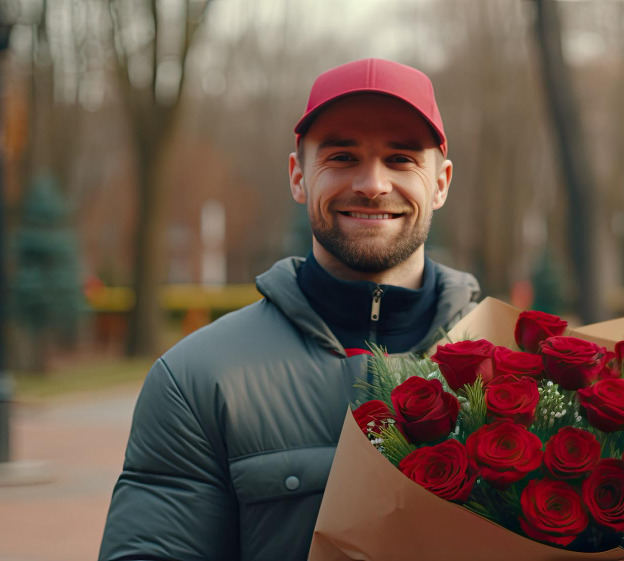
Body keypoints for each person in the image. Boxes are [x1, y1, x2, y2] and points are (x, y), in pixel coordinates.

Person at [98, 58, 481, 561]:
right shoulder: (196, 380)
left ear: (441, 182)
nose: (371, 184)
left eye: (401, 158)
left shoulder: (517, 365)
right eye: (342, 157)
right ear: (299, 176)